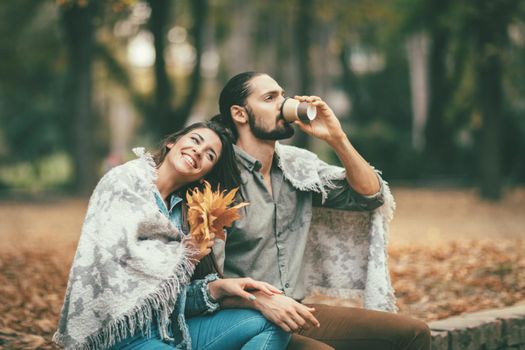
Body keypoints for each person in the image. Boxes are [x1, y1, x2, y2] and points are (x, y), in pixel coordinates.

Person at [212, 72, 432, 350]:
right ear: (239, 114)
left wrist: (336, 138)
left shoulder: (298, 168)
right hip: (243, 317)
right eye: (270, 98)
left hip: (296, 311)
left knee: (414, 333)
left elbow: (370, 196)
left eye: (283, 95)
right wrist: (260, 300)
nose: (284, 104)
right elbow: (208, 282)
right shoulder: (219, 175)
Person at [53, 121, 291, 350]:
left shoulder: (186, 211)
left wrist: (220, 287)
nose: (198, 151)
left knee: (274, 324)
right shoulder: (124, 182)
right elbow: (123, 276)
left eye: (210, 155)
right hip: (121, 336)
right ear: (172, 143)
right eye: (195, 140)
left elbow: (173, 298)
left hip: (171, 331)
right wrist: (187, 256)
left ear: (205, 173)